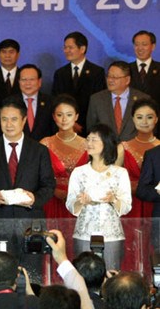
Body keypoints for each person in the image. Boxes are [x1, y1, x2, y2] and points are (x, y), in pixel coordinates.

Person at [0, 96, 55, 252]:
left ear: (24, 120)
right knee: (0, 270)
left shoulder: (39, 150)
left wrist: (34, 199)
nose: (8, 124)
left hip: (31, 222)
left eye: (13, 119)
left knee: (32, 271)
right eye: (4, 119)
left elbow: (49, 184)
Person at [66, 123, 132, 270]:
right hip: (84, 232)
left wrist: (113, 200)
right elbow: (70, 204)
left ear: (106, 143)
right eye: (88, 139)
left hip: (111, 234)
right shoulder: (79, 172)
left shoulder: (120, 173)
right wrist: (80, 202)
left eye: (94, 139)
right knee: (84, 274)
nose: (89, 143)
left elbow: (127, 206)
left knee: (111, 274)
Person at [116, 98, 160, 271]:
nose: (144, 121)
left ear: (156, 119)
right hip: (131, 206)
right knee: (133, 245)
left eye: (149, 117)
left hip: (154, 204)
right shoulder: (123, 147)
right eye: (139, 117)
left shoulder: (158, 148)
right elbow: (114, 179)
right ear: (132, 119)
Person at [40, 94, 87, 219]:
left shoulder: (88, 145)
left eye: (69, 115)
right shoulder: (45, 143)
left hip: (80, 202)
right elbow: (38, 176)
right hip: (52, 199)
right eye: (60, 115)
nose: (64, 119)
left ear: (76, 116)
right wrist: (54, 191)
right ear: (54, 117)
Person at [52, 31, 106, 134]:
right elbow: (56, 100)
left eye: (70, 47)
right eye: (65, 47)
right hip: (64, 126)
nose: (66, 50)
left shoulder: (97, 72)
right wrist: (71, 122)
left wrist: (82, 124)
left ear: (82, 49)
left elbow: (98, 103)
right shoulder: (60, 73)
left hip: (89, 127)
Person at [87, 61, 149, 141]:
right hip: (106, 150)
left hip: (134, 150)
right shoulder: (96, 99)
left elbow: (148, 129)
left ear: (127, 80)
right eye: (108, 76)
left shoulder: (143, 99)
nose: (110, 80)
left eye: (115, 77)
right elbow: (91, 128)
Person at [12, 64, 56, 141]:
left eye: (32, 79)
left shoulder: (51, 102)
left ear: (39, 82)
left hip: (44, 149)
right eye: (24, 80)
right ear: (19, 82)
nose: (27, 83)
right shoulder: (10, 102)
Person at [129, 30, 160, 108]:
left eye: (144, 44)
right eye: (137, 45)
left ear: (153, 46)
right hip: (131, 116)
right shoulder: (126, 69)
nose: (140, 48)